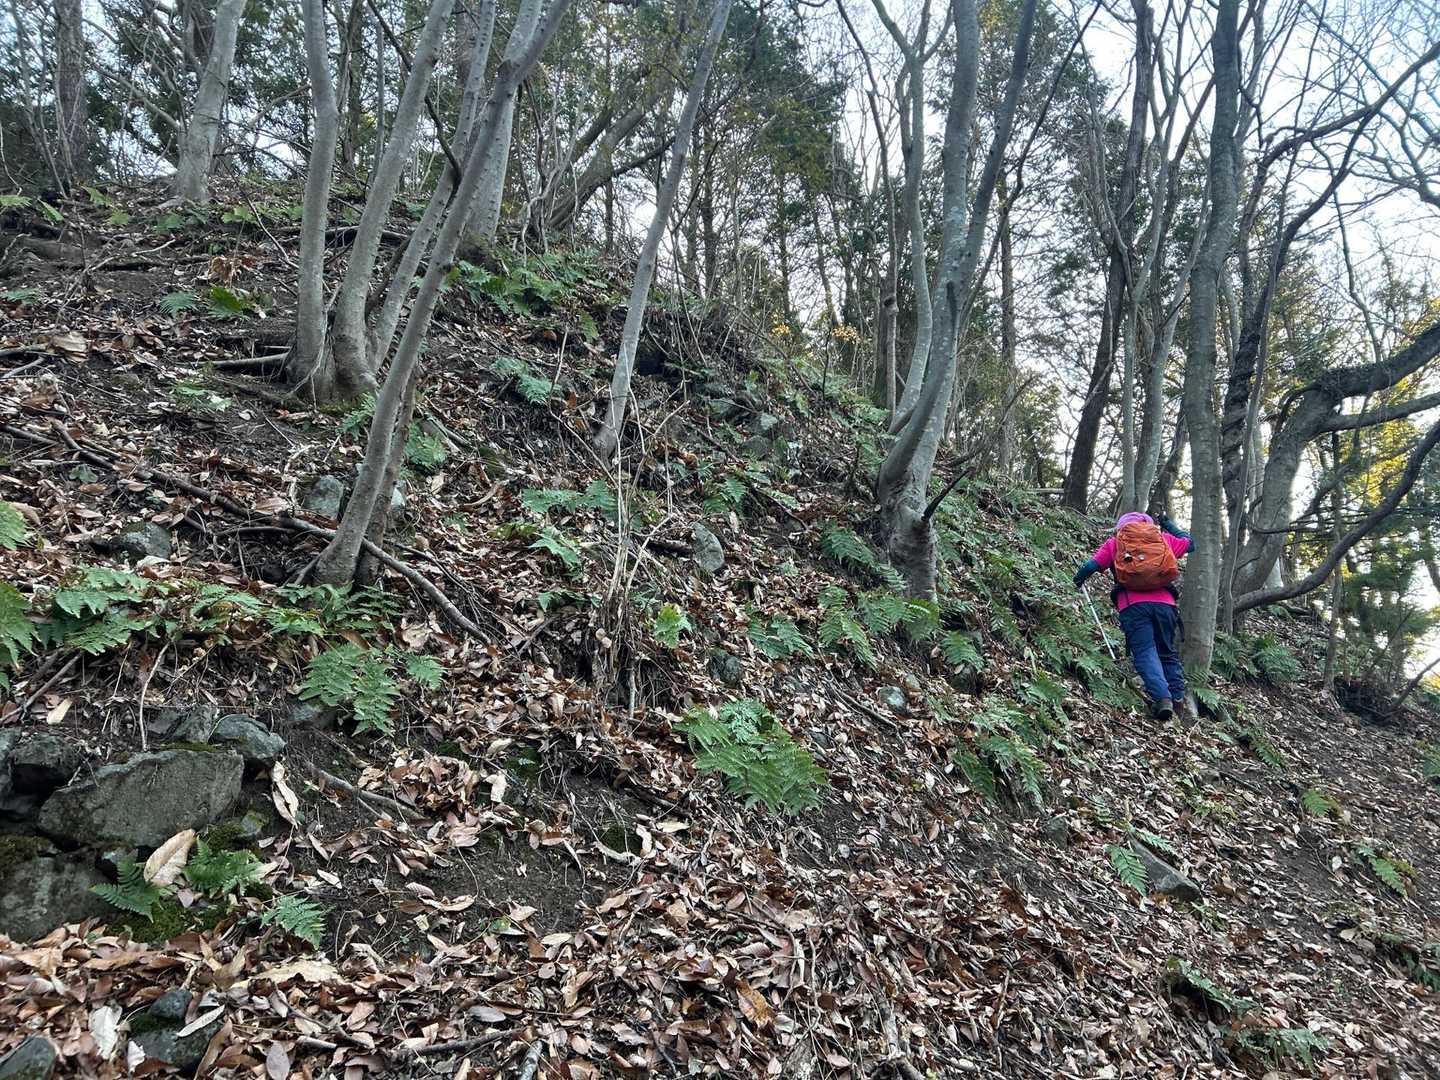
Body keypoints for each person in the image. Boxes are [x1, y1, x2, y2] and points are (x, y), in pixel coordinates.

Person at [1073, 511, 1193, 719]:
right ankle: (1177, 701)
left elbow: (1091, 565)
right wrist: (1168, 524)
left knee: (1145, 650)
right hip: (1165, 605)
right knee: (1167, 652)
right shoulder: (1162, 540)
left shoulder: (1116, 543)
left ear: (1121, 527)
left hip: (1132, 605)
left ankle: (1162, 699)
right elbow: (1190, 543)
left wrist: (1077, 580)